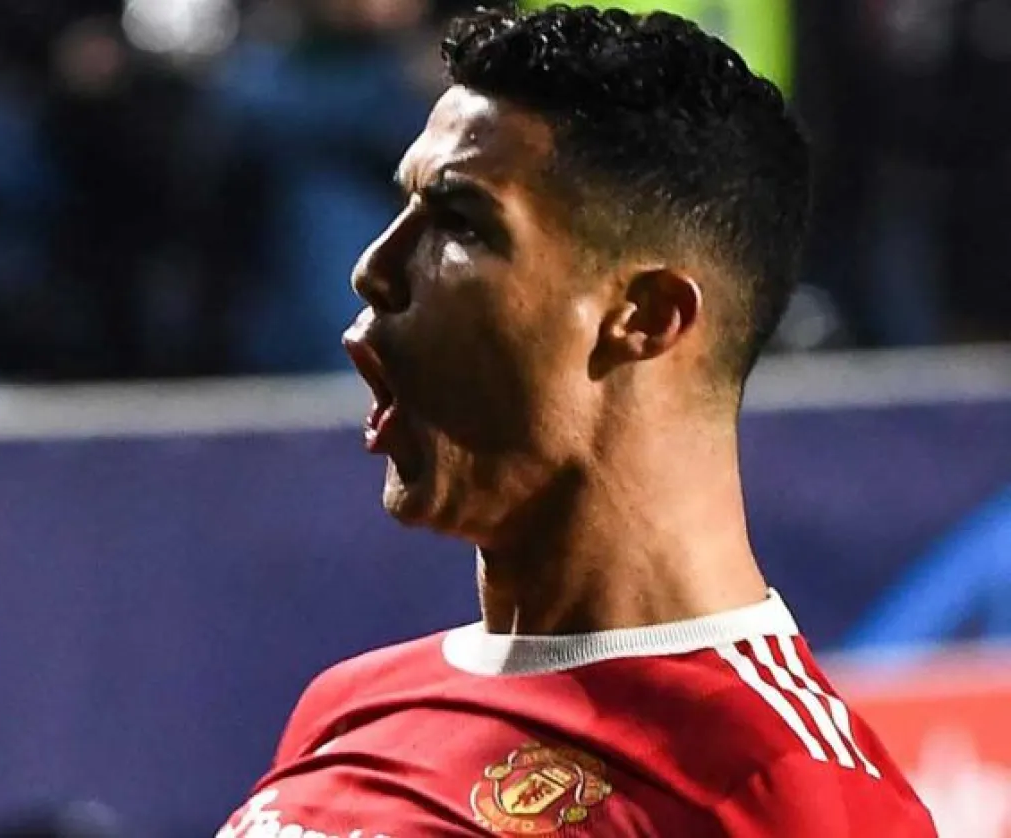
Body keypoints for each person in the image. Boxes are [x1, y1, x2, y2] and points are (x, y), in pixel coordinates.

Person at [216, 6, 937, 837]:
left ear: (645, 315)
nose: (374, 267)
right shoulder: (350, 703)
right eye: (402, 207)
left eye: (458, 223)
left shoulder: (781, 792)